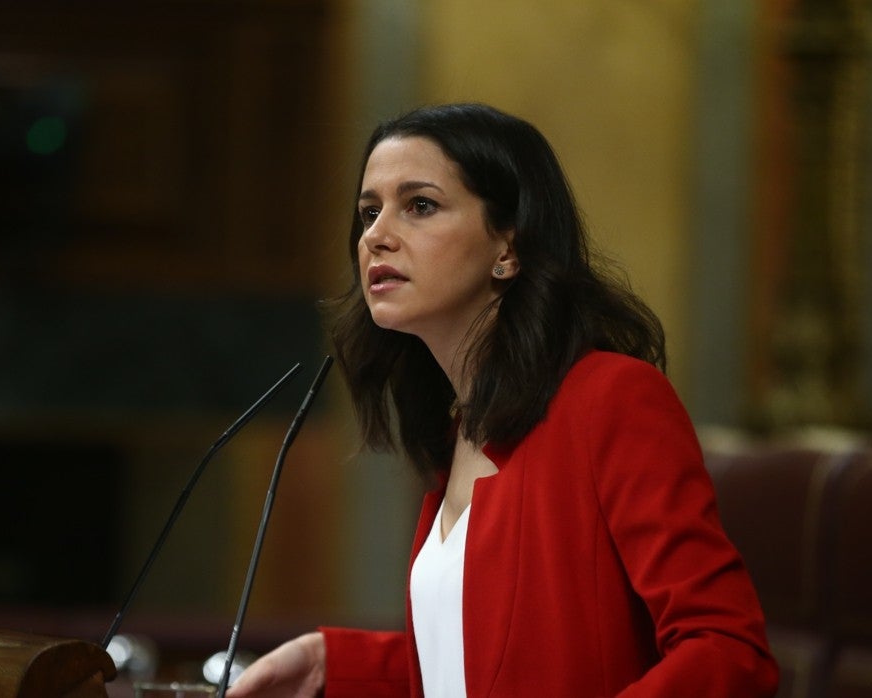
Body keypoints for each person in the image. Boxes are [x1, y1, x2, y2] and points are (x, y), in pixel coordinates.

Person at [227, 103, 778, 697]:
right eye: (368, 212)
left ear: (508, 247)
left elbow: (727, 651)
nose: (376, 237)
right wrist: (332, 664)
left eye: (420, 205)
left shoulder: (610, 400)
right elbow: (484, 664)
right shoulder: (459, 428)